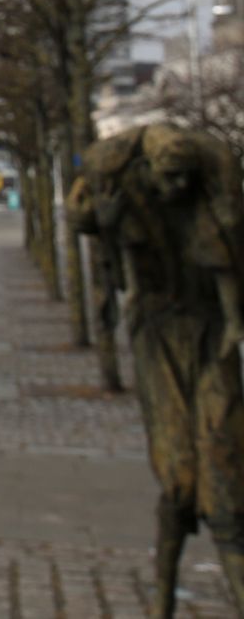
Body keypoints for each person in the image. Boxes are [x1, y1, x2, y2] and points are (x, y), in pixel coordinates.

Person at [77, 126, 244, 618]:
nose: (177, 188)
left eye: (184, 178)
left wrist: (234, 322)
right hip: (159, 335)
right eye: (169, 177)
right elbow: (85, 219)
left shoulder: (210, 203)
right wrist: (102, 220)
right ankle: (162, 596)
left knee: (225, 462)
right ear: (148, 171)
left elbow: (226, 263)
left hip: (212, 337)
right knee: (177, 474)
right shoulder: (124, 193)